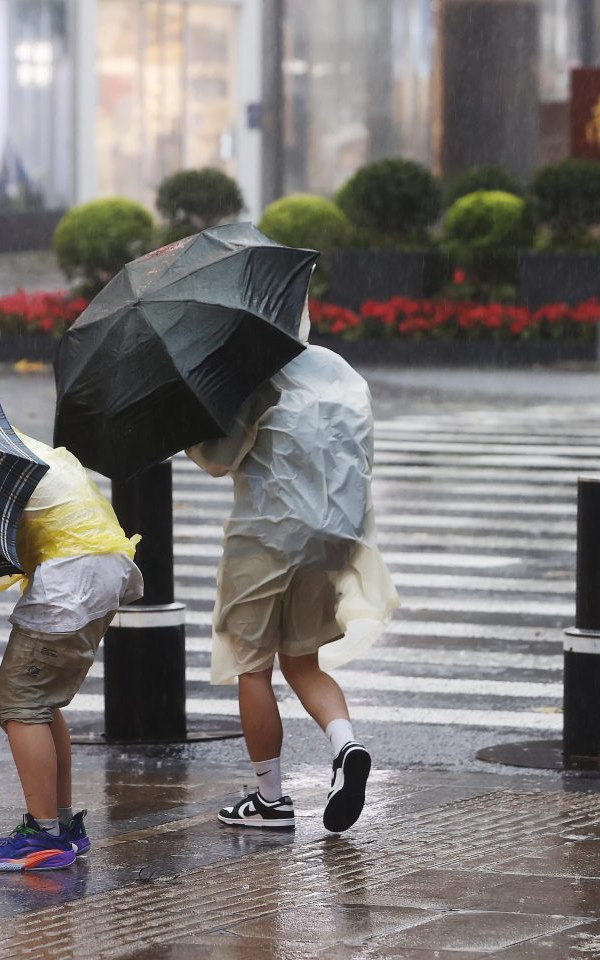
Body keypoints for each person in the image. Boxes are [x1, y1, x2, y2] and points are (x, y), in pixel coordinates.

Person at [187, 305, 400, 834]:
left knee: (253, 669)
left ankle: (269, 799)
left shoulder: (253, 377)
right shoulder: (337, 369)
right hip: (329, 537)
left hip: (264, 538)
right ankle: (345, 746)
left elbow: (218, 457)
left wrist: (196, 420)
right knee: (303, 663)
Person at [0, 432, 143, 872]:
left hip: (72, 575)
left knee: (19, 703)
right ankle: (61, 825)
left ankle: (43, 835)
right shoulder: (17, 449)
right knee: (42, 701)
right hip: (104, 565)